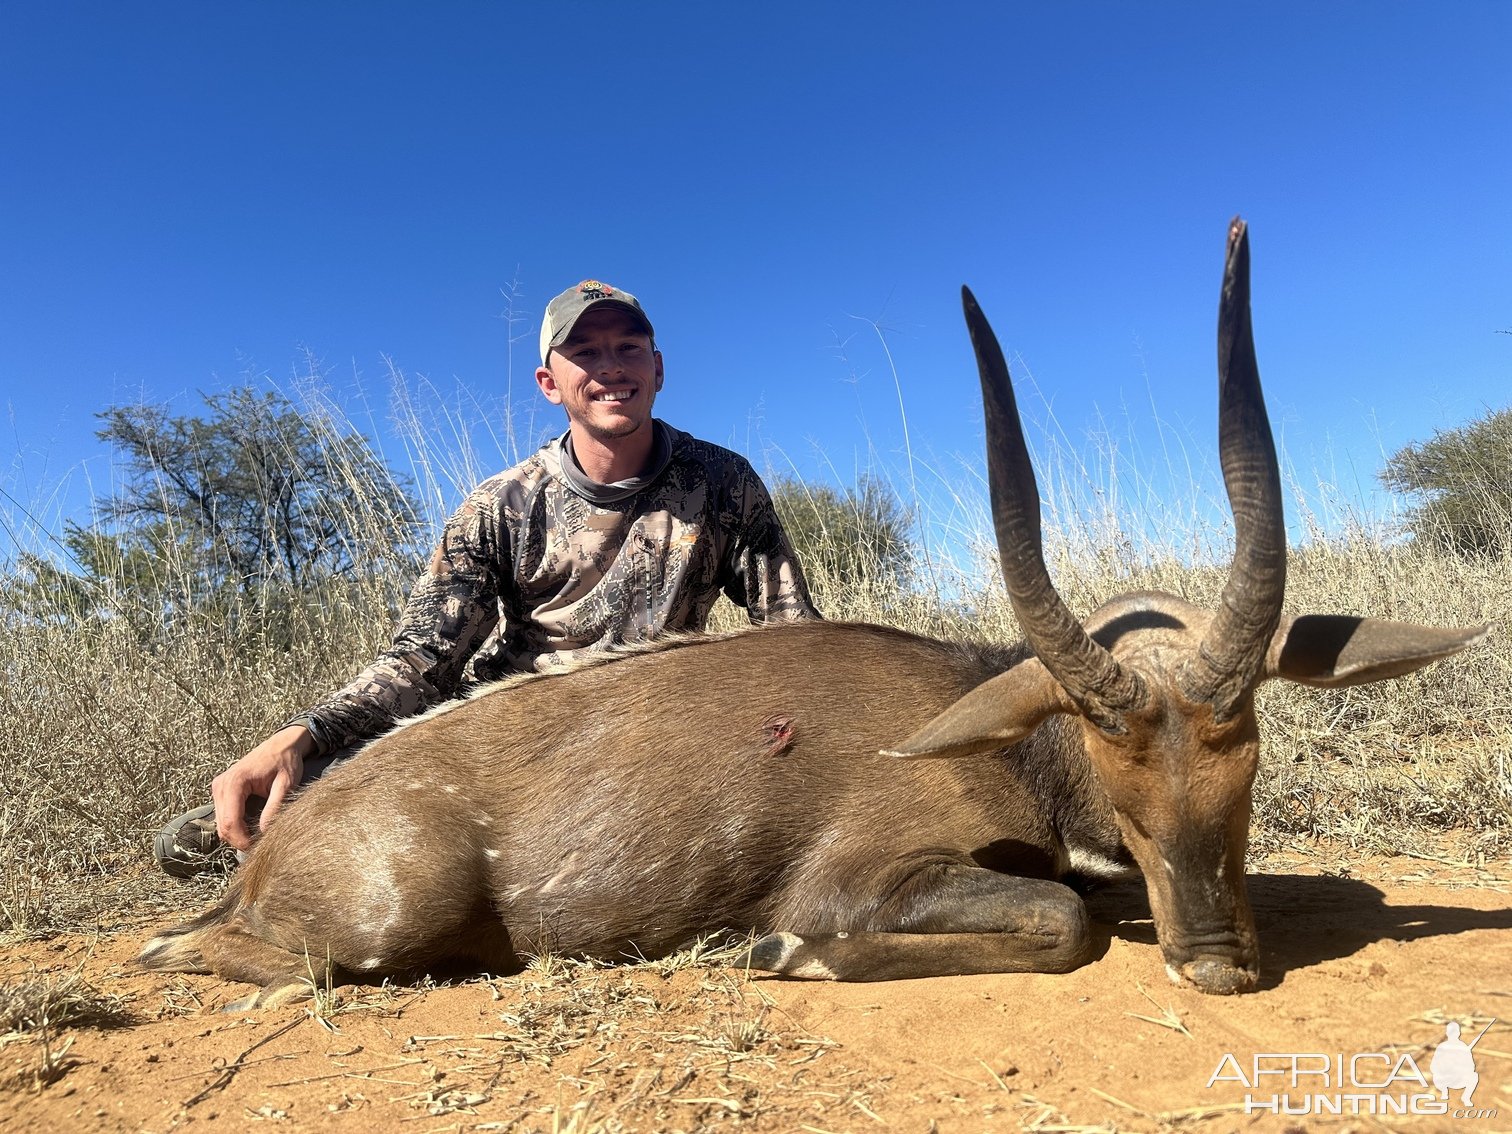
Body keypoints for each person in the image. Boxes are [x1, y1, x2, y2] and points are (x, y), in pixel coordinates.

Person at [155, 278, 818, 877]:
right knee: (210, 839)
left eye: (629, 347)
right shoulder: (499, 504)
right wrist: (302, 734)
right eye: (585, 352)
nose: (611, 367)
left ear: (659, 368)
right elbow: (421, 662)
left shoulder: (725, 481)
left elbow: (794, 633)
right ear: (548, 383)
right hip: (510, 739)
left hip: (657, 738)